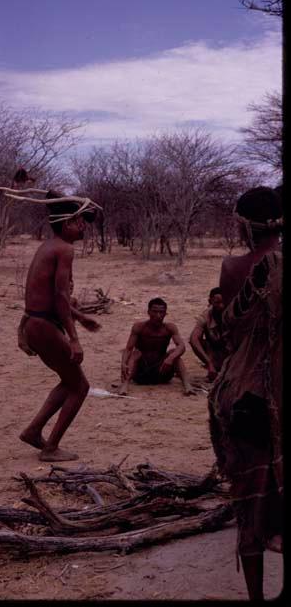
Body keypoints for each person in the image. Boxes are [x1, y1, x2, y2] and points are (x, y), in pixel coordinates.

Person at [208, 186, 283, 600]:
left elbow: (227, 334)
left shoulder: (232, 267)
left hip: (245, 393)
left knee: (248, 504)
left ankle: (256, 596)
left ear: (244, 226)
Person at [0, 185, 103, 462]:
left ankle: (34, 431)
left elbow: (44, 296)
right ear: (68, 223)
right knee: (79, 387)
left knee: (69, 381)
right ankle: (50, 447)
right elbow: (57, 296)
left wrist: (80, 318)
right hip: (43, 326)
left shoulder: (49, 246)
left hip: (37, 324)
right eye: (80, 221)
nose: (83, 227)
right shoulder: (64, 250)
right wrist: (74, 338)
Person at [120, 297, 193, 396]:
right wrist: (124, 363)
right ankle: (125, 384)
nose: (158, 315)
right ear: (148, 312)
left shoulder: (169, 328)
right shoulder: (139, 327)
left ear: (165, 313)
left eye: (161, 312)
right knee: (136, 353)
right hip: (141, 372)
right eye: (154, 312)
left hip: (161, 370)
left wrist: (170, 359)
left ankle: (187, 385)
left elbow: (181, 346)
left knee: (174, 353)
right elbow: (128, 348)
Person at [189, 287, 227, 382]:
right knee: (199, 342)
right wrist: (209, 363)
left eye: (223, 302)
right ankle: (213, 367)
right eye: (217, 303)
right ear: (210, 301)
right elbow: (193, 339)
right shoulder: (206, 315)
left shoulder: (232, 314)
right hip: (216, 354)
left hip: (233, 355)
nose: (221, 306)